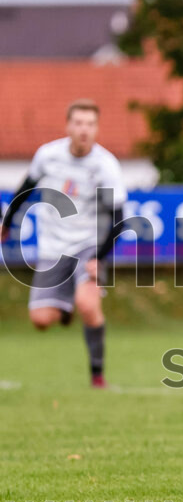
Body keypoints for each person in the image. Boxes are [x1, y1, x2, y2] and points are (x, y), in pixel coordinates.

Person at [1, 99, 126, 389]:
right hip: (53, 248)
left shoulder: (106, 165)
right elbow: (26, 187)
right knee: (41, 320)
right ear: (69, 126)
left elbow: (119, 217)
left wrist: (101, 256)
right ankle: (64, 306)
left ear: (96, 128)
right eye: (79, 123)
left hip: (89, 245)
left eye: (90, 124)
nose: (84, 129)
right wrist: (7, 223)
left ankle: (97, 375)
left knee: (88, 304)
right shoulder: (48, 155)